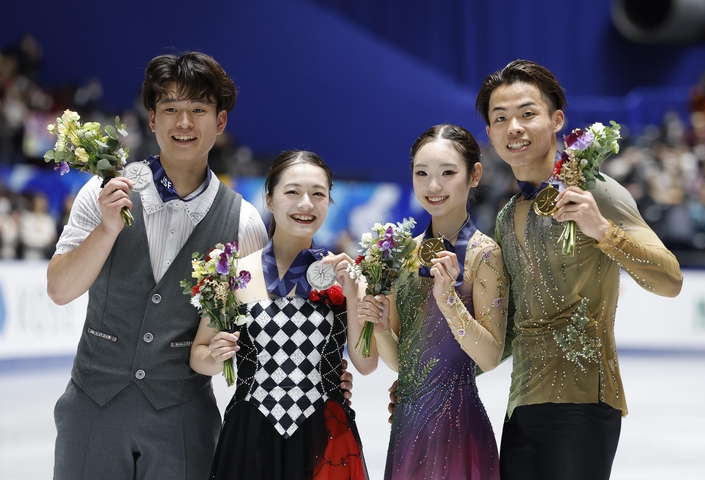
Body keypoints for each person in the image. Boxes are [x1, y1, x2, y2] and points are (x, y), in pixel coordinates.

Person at [46, 52, 354, 479]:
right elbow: (60, 290)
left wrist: (324, 374)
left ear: (221, 121)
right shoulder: (103, 193)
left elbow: (268, 328)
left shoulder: (244, 222)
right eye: (171, 109)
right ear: (152, 119)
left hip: (183, 426)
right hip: (91, 414)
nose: (184, 122)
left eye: (198, 109)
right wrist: (106, 229)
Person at [475, 59, 684, 480]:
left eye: (527, 113)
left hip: (584, 405)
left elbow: (670, 281)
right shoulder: (506, 216)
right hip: (520, 409)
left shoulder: (595, 191)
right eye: (500, 118)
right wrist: (439, 379)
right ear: (490, 134)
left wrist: (603, 230)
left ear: (557, 120)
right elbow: (509, 328)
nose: (514, 127)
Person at [191, 150, 376, 479]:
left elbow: (365, 364)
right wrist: (217, 357)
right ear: (269, 199)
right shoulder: (231, 276)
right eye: (292, 191)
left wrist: (352, 295)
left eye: (318, 194)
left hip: (326, 436)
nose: (306, 203)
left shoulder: (347, 276)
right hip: (251, 435)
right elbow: (199, 355)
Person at [360, 124, 509, 480]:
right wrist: (380, 329)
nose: (433, 186)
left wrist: (449, 301)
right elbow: (401, 363)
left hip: (459, 425)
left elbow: (490, 357)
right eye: (422, 173)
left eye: (447, 173)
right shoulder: (404, 254)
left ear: (474, 175)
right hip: (408, 426)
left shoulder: (484, 255)